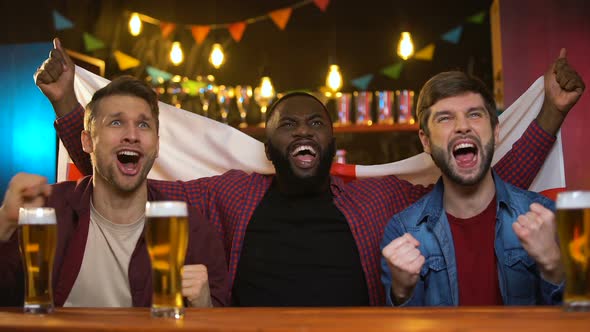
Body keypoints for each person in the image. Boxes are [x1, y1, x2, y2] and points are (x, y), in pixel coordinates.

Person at [37, 38, 584, 306]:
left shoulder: (380, 200)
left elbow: (480, 183)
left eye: (315, 123)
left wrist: (552, 113)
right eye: (287, 124)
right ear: (267, 145)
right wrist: (67, 104)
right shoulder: (230, 193)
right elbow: (125, 178)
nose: (302, 130)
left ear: (333, 140)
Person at [0, 76, 229, 308]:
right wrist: (3, 224)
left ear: (157, 145)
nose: (132, 135)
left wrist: (205, 305)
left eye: (143, 124)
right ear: (87, 141)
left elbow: (221, 320)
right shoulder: (45, 211)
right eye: (116, 123)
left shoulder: (189, 227)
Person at [380, 61, 584, 305]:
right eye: (445, 118)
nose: (463, 126)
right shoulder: (404, 230)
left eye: (474, 114)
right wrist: (402, 291)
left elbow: (579, 320)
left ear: (495, 131)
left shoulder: (546, 218)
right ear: (425, 141)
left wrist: (554, 267)